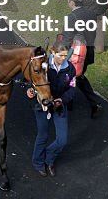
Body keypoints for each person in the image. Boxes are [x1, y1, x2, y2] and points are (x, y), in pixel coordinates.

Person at [29, 39, 76, 178]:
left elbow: (72, 89)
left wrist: (62, 100)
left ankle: (49, 158)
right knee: (42, 136)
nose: (63, 58)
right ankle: (38, 163)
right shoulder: (43, 65)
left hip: (59, 106)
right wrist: (29, 92)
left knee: (62, 140)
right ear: (53, 52)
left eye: (66, 55)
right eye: (60, 55)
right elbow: (32, 80)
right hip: (42, 106)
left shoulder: (70, 69)